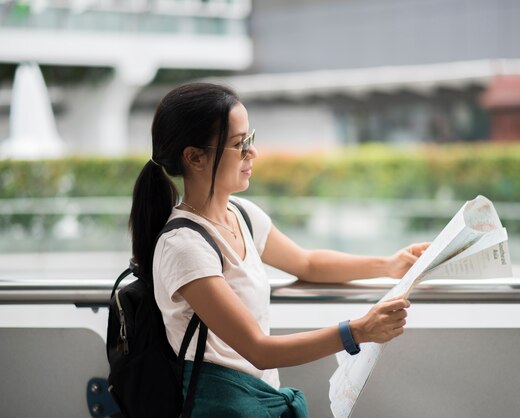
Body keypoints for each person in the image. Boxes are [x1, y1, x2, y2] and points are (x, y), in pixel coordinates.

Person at [129, 83, 429, 417]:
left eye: (250, 139)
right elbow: (259, 350)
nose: (252, 153)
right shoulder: (184, 246)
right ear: (194, 157)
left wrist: (389, 264)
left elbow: (308, 263)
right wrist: (357, 331)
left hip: (254, 403)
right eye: (238, 144)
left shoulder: (242, 215)